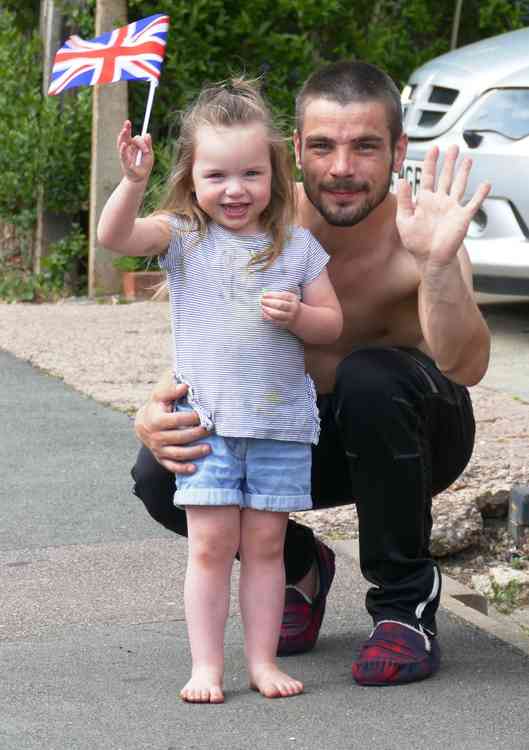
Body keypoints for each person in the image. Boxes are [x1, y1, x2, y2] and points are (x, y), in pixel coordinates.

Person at [132, 61, 491, 687]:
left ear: (398, 150)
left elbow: (466, 365)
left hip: (415, 434)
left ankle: (403, 604)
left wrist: (435, 266)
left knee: (370, 374)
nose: (342, 168)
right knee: (162, 474)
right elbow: (221, 335)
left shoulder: (424, 231)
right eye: (322, 146)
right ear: (294, 150)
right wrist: (152, 411)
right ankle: (301, 564)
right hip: (292, 428)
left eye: (366, 146)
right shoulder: (259, 216)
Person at [98, 78, 343, 703]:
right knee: (211, 546)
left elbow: (332, 325)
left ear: (274, 174)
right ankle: (207, 666)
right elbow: (114, 240)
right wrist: (131, 182)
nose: (234, 190)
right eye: (216, 176)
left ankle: (262, 661)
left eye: (250, 175)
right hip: (205, 422)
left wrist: (298, 317)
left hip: (279, 423)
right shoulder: (183, 235)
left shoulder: (298, 247)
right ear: (191, 177)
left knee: (264, 547)